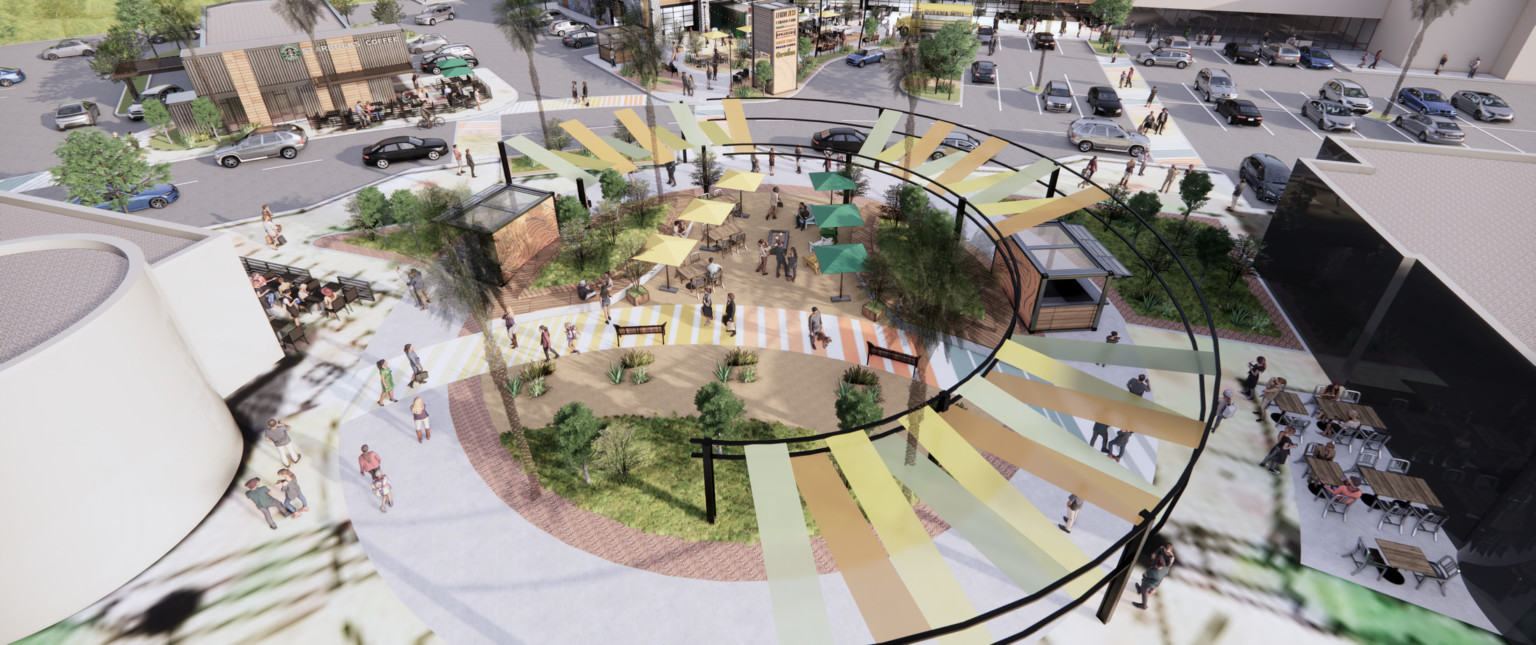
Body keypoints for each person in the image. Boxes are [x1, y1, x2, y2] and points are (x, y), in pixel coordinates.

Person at [1134, 544, 1175, 609]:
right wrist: (1155, 554)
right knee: (1148, 577)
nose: (1166, 552)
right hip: (1158, 566)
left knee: (1149, 581)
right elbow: (1157, 552)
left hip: (1160, 569)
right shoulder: (1161, 549)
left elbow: (1166, 566)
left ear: (1170, 551)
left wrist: (1148, 573)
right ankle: (1141, 590)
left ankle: (1144, 601)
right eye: (1165, 550)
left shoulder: (1171, 558)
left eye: (1167, 551)